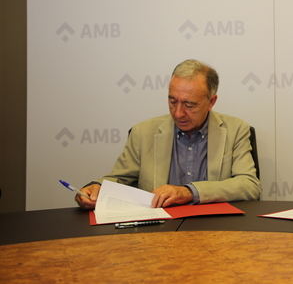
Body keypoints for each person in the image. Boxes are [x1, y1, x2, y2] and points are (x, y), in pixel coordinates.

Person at [76, 59, 261, 209]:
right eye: (172, 101)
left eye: (189, 105)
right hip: (158, 232)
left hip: (216, 230)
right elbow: (118, 179)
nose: (178, 113)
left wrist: (189, 192)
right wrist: (98, 188)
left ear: (211, 102)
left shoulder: (236, 130)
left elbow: (249, 185)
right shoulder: (142, 133)